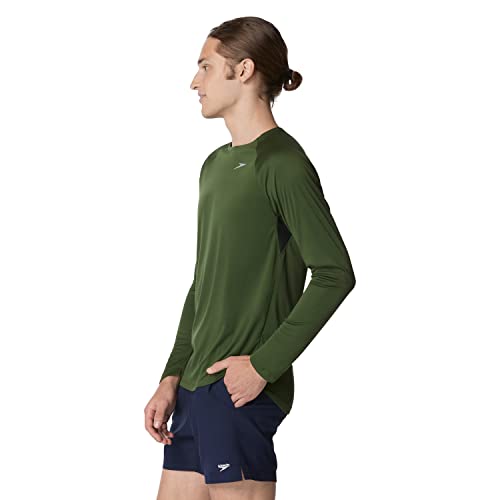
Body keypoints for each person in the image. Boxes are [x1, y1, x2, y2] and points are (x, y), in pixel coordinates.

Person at [144, 16, 356, 500]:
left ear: (242, 70)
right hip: (195, 388)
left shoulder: (281, 163)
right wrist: (172, 374)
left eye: (205, 66)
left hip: (239, 392)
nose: (194, 81)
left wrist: (263, 366)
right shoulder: (215, 166)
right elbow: (204, 282)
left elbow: (335, 273)